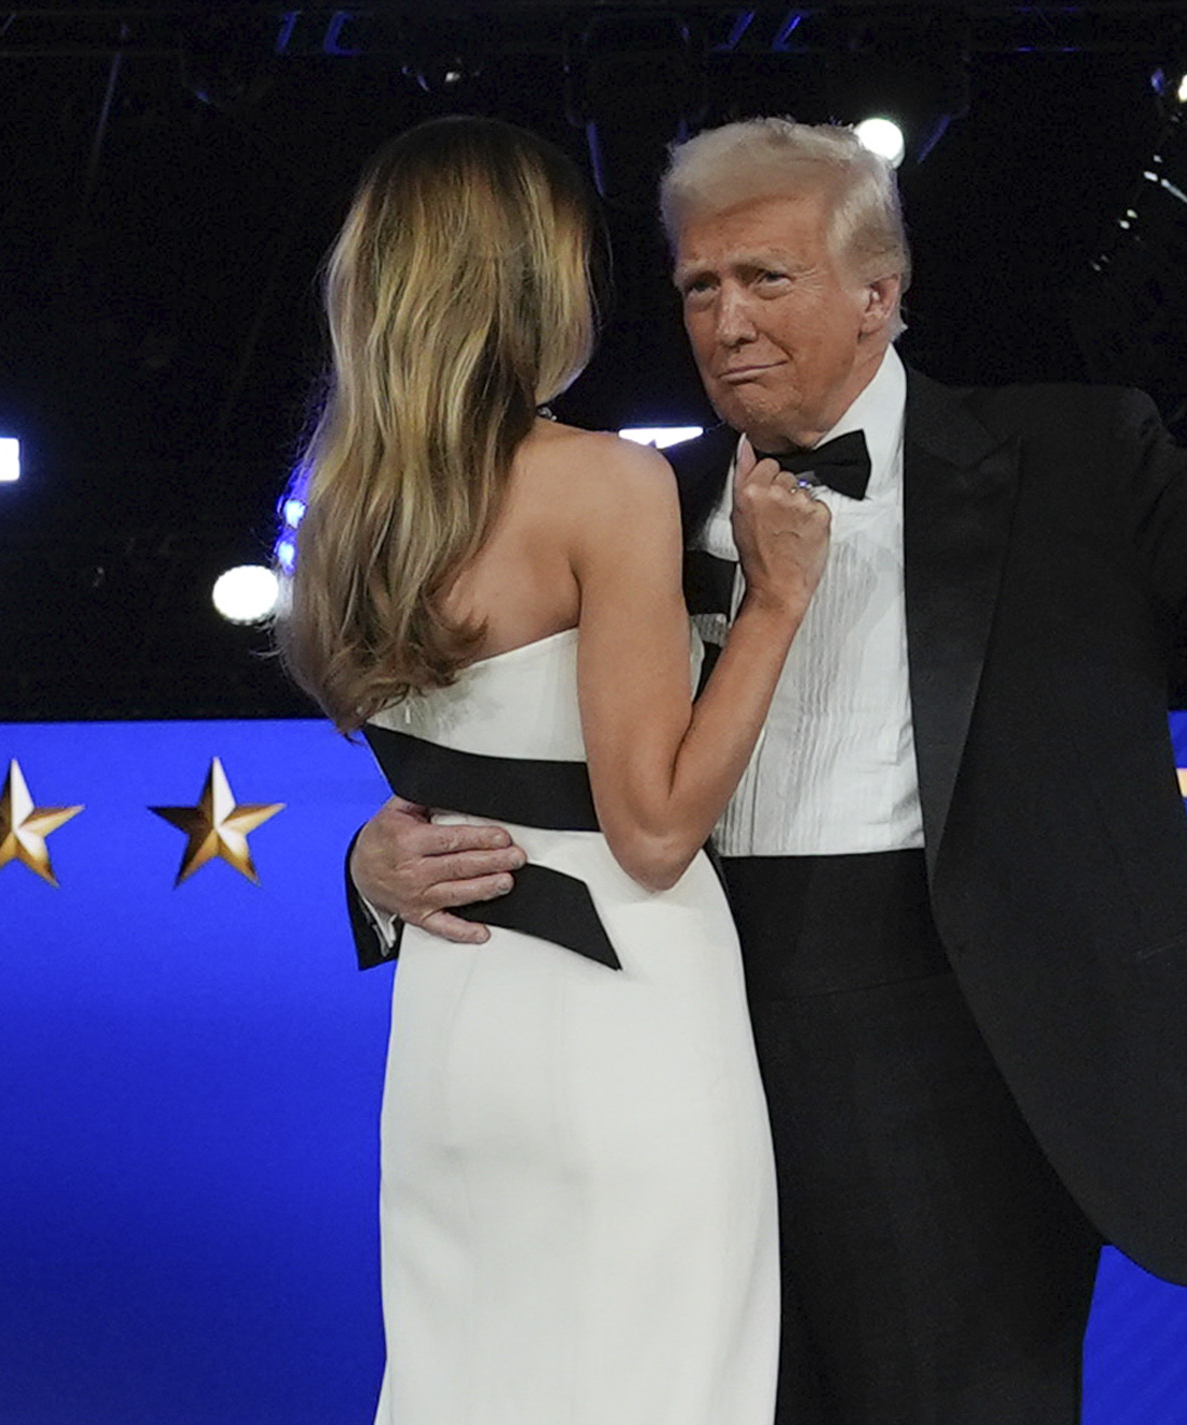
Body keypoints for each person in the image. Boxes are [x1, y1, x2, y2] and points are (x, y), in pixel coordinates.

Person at [349, 117, 1187, 1423]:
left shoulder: (1075, 456)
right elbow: (510, 752)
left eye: (766, 278)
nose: (725, 319)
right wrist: (370, 865)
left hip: (966, 1047)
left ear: (880, 293)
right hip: (683, 1030)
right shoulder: (629, 493)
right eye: (699, 286)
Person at [276, 116, 831, 1425]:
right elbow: (650, 828)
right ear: (536, 280)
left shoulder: (350, 502)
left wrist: (368, 859)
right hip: (622, 1012)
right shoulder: (605, 483)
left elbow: (433, 766)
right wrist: (772, 604)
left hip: (455, 1028)